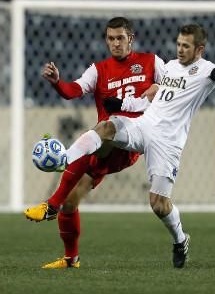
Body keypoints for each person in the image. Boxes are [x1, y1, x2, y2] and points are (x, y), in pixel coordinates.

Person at [63, 24, 215, 269]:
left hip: (168, 142)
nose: (180, 49)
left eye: (186, 46)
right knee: (106, 127)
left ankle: (180, 239)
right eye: (178, 44)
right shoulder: (170, 67)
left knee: (158, 204)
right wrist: (122, 103)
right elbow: (150, 97)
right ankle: (65, 157)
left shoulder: (207, 69)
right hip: (145, 125)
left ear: (199, 49)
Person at [24, 17, 165, 268]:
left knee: (105, 127)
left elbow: (173, 88)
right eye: (110, 38)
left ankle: (51, 202)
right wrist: (57, 82)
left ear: (130, 38)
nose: (115, 43)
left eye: (120, 38)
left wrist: (159, 89)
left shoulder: (152, 62)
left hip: (132, 139)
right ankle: (71, 259)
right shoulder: (98, 70)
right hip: (102, 145)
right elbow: (73, 91)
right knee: (71, 202)